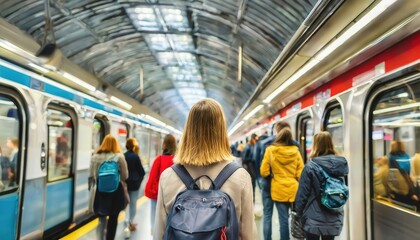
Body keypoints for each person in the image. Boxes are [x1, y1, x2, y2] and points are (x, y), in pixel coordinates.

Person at [154, 98, 257, 240]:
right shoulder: (240, 176)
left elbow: (159, 232)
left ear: (188, 130)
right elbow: (248, 234)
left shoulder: (168, 176)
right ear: (221, 131)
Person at [295, 131, 349, 240]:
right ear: (330, 144)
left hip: (313, 217)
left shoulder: (310, 167)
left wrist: (298, 214)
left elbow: (302, 194)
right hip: (334, 214)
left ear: (316, 145)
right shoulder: (341, 165)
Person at [254, 121, 299, 240]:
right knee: (284, 218)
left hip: (269, 184)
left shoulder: (266, 145)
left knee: (267, 215)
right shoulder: (295, 146)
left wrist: (269, 175)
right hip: (288, 188)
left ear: (277, 130)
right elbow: (300, 171)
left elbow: (262, 170)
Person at [89, 134, 129, 240]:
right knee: (113, 219)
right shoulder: (119, 157)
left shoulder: (95, 157)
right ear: (115, 144)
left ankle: (100, 238)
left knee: (101, 218)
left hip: (100, 191)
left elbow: (91, 177)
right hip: (116, 192)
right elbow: (125, 176)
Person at [144, 134, 177, 234]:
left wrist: (150, 192)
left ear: (164, 145)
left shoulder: (159, 159)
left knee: (155, 218)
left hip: (157, 194)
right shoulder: (176, 161)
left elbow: (152, 178)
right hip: (172, 195)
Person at [124, 138, 145, 231]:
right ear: (133, 146)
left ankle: (126, 221)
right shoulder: (136, 157)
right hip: (134, 185)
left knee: (125, 204)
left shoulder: (123, 156)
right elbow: (142, 172)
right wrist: (138, 182)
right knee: (133, 204)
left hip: (125, 185)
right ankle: (130, 222)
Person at [242, 133, 258, 201]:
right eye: (255, 140)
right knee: (251, 183)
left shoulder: (252, 146)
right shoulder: (248, 147)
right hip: (249, 168)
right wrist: (252, 158)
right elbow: (244, 159)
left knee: (253, 183)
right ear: (253, 139)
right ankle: (251, 199)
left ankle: (252, 198)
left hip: (251, 167)